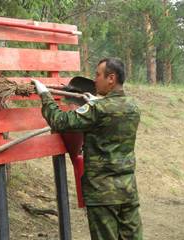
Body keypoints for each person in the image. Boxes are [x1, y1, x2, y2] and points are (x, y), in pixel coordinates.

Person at [32, 58, 143, 240]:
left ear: (111, 78)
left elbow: (60, 121)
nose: (94, 80)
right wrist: (96, 102)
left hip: (102, 194)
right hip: (128, 190)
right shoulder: (133, 106)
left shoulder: (98, 109)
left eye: (98, 75)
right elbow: (109, 116)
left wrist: (44, 94)